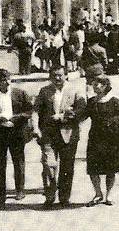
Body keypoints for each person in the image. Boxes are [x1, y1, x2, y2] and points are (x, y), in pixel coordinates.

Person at [35, 66, 87, 207]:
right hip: (49, 134)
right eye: (54, 76)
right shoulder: (44, 91)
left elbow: (82, 110)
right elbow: (36, 111)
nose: (57, 78)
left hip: (69, 134)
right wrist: (35, 128)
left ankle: (64, 197)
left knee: (67, 167)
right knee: (48, 165)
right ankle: (50, 196)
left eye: (60, 75)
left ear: (66, 75)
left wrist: (64, 116)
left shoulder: (76, 90)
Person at [0, 68, 33, 208]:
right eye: (3, 80)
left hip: (16, 132)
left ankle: (20, 189)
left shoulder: (20, 93)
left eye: (8, 79)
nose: (7, 82)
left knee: (18, 161)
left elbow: (29, 111)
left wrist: (18, 118)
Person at [78, 75, 119, 206]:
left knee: (111, 168)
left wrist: (115, 124)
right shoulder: (92, 101)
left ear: (105, 86)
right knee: (93, 168)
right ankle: (98, 193)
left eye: (98, 84)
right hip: (95, 137)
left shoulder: (114, 101)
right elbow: (83, 117)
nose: (95, 85)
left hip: (111, 139)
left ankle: (109, 195)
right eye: (94, 83)